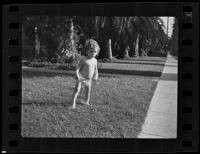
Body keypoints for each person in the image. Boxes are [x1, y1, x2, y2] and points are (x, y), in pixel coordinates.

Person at [71, 39, 100, 109]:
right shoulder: (84, 59)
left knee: (88, 91)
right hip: (81, 78)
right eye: (91, 51)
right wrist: (77, 74)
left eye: (95, 52)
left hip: (88, 79)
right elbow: (78, 68)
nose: (93, 53)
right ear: (87, 51)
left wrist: (96, 76)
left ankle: (86, 102)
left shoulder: (95, 61)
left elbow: (96, 70)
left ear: (97, 52)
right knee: (77, 90)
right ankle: (73, 103)